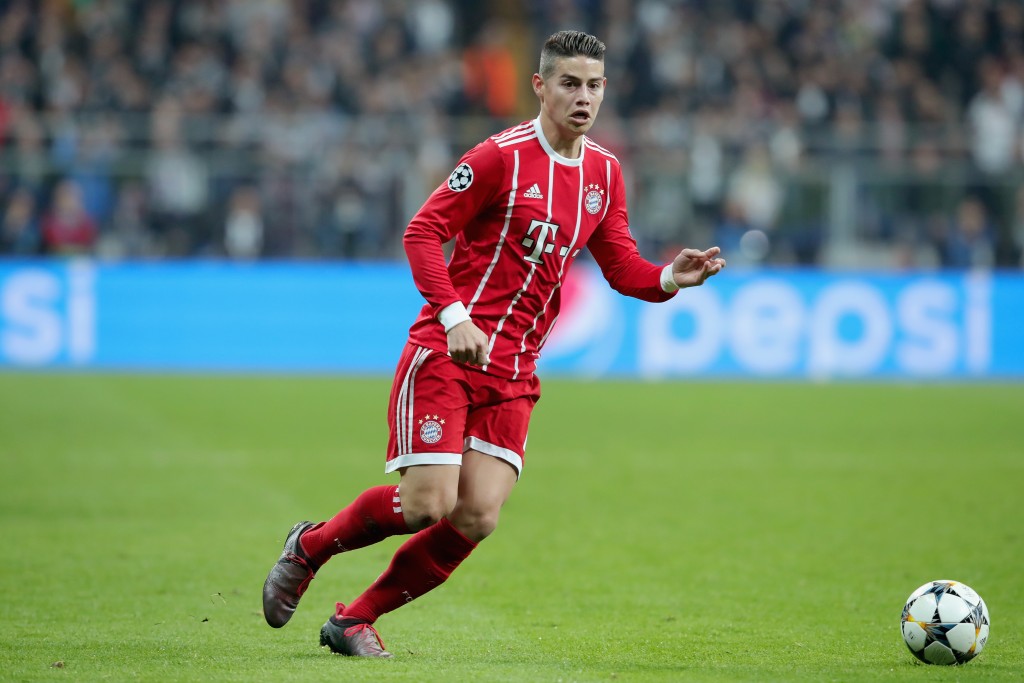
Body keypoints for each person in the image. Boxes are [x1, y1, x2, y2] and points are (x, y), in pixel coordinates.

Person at [262, 30, 726, 658]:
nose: (583, 97)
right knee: (427, 504)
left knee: (478, 515)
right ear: (540, 86)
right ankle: (309, 547)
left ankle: (354, 620)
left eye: (594, 86)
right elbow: (422, 233)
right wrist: (455, 317)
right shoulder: (497, 158)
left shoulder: (605, 173)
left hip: (514, 372)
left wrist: (671, 277)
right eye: (569, 83)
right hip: (447, 354)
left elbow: (622, 268)